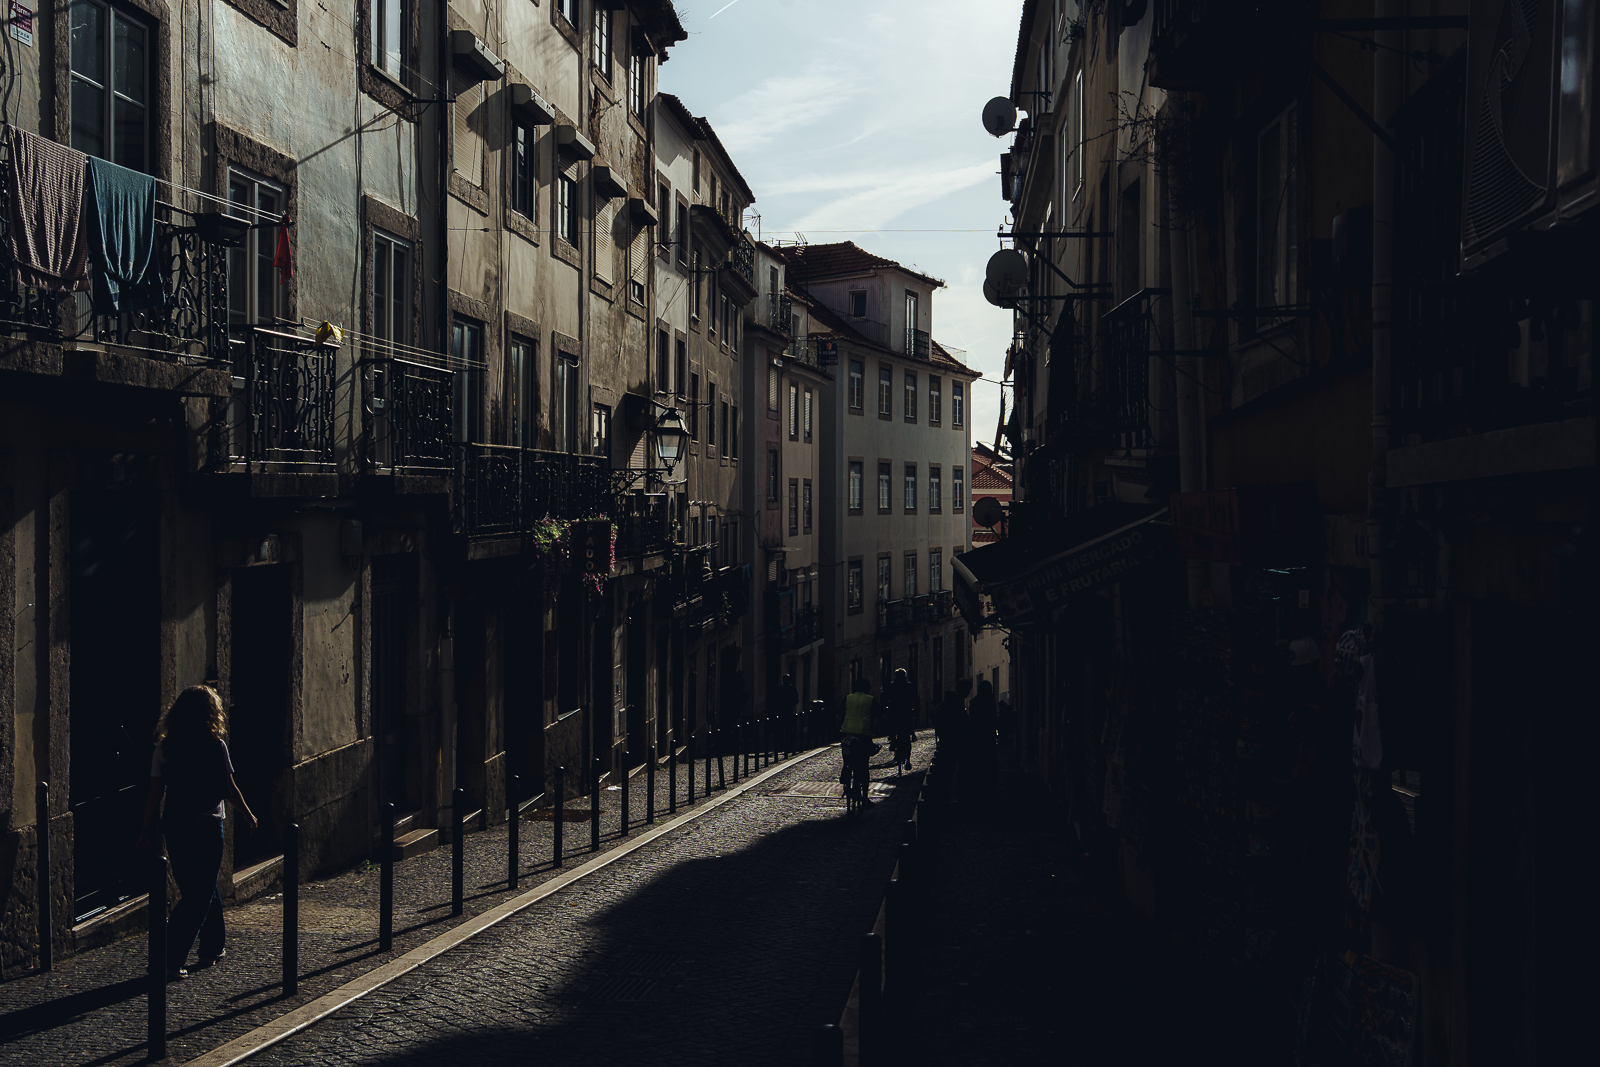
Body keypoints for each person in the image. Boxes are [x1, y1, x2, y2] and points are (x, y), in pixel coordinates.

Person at [137, 685, 257, 980]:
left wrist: (145, 830)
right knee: (198, 895)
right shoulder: (216, 746)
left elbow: (155, 792)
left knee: (200, 888)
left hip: (177, 827)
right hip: (206, 826)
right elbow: (229, 789)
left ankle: (211, 948)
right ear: (210, 713)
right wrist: (247, 813)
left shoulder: (164, 748)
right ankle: (166, 959)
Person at [839, 677, 877, 806]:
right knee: (863, 767)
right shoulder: (870, 699)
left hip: (847, 733)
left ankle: (845, 771)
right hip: (863, 735)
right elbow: (878, 715)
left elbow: (839, 714)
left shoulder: (848, 698)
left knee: (848, 758)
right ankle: (865, 797)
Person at [965, 678, 998, 802]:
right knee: (988, 765)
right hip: (986, 738)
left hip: (979, 739)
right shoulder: (989, 701)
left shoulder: (976, 702)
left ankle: (980, 790)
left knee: (980, 765)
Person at [883, 668, 917, 774]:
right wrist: (915, 710)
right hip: (906, 713)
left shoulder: (891, 686)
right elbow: (915, 699)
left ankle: (892, 740)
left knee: (891, 725)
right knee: (907, 734)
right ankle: (908, 760)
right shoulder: (909, 686)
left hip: (894, 712)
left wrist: (885, 708)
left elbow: (885, 698)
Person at [774, 673, 800, 754]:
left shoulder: (787, 689)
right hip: (785, 711)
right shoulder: (788, 689)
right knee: (783, 730)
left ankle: (788, 746)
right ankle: (785, 746)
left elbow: (796, 700)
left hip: (787, 711)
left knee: (787, 730)